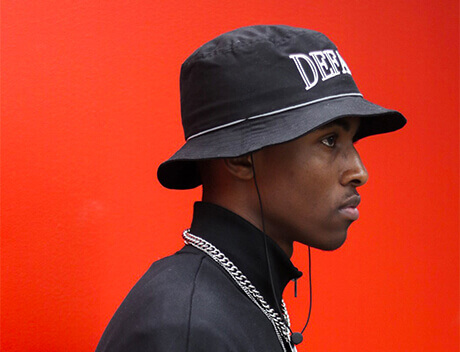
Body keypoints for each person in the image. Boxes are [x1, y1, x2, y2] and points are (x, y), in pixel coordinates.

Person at [95, 25, 406, 352]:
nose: (359, 171)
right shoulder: (187, 330)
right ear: (241, 157)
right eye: (329, 141)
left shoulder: (241, 295)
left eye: (353, 140)